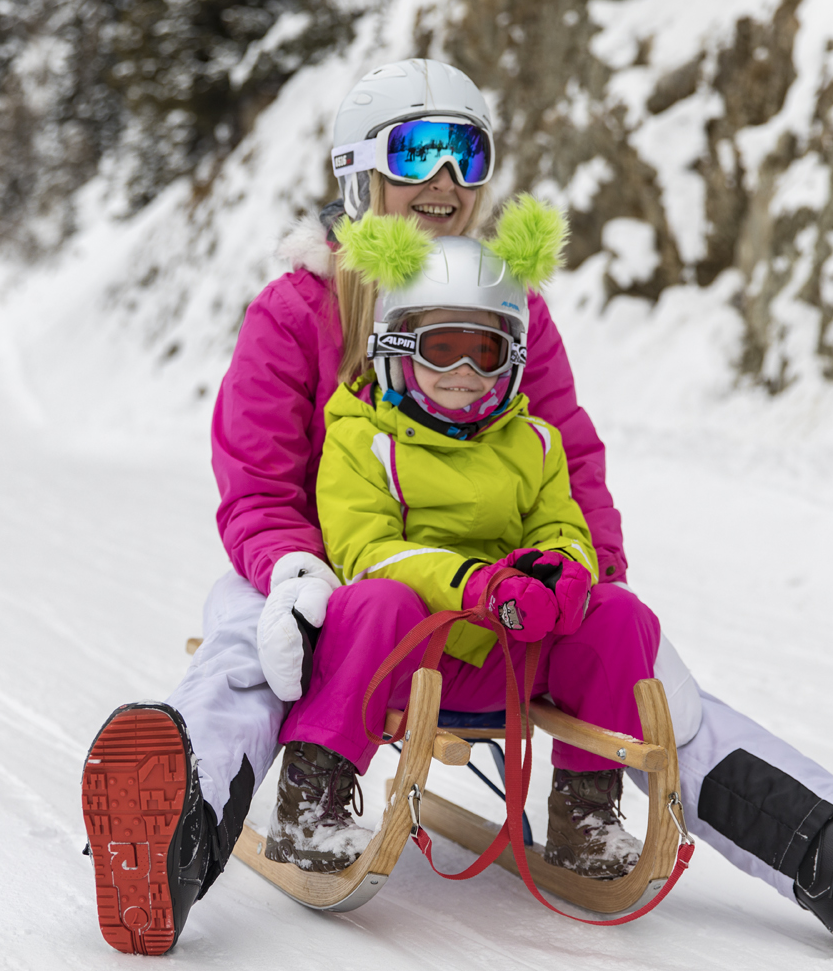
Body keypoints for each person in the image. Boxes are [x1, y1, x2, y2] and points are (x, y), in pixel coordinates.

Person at [80, 59, 833, 962]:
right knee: (248, 651)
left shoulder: (504, 308)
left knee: (660, 680)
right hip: (333, 576)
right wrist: (293, 569)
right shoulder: (299, 310)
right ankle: (176, 842)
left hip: (497, 589)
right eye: (416, 153)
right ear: (358, 172)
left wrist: (583, 576)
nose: (445, 179)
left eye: (467, 153)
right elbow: (257, 479)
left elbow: (563, 446)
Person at [265, 207, 652, 881]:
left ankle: (585, 810)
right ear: (395, 345)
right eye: (443, 348)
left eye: (489, 350)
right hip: (405, 658)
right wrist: (479, 584)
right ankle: (311, 799)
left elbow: (564, 527)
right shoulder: (362, 437)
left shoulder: (534, 442)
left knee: (620, 614)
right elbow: (367, 548)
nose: (467, 370)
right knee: (377, 602)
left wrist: (560, 574)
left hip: (509, 655)